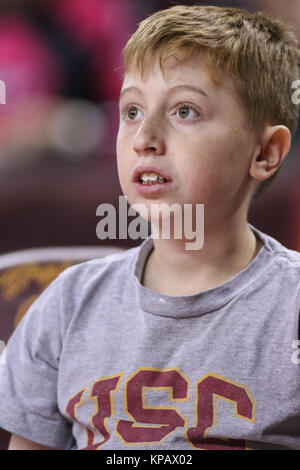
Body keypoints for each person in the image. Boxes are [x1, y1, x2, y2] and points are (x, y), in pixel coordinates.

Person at [0, 4, 300, 450]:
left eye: (184, 111)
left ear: (266, 153)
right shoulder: (64, 305)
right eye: (132, 111)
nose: (145, 137)